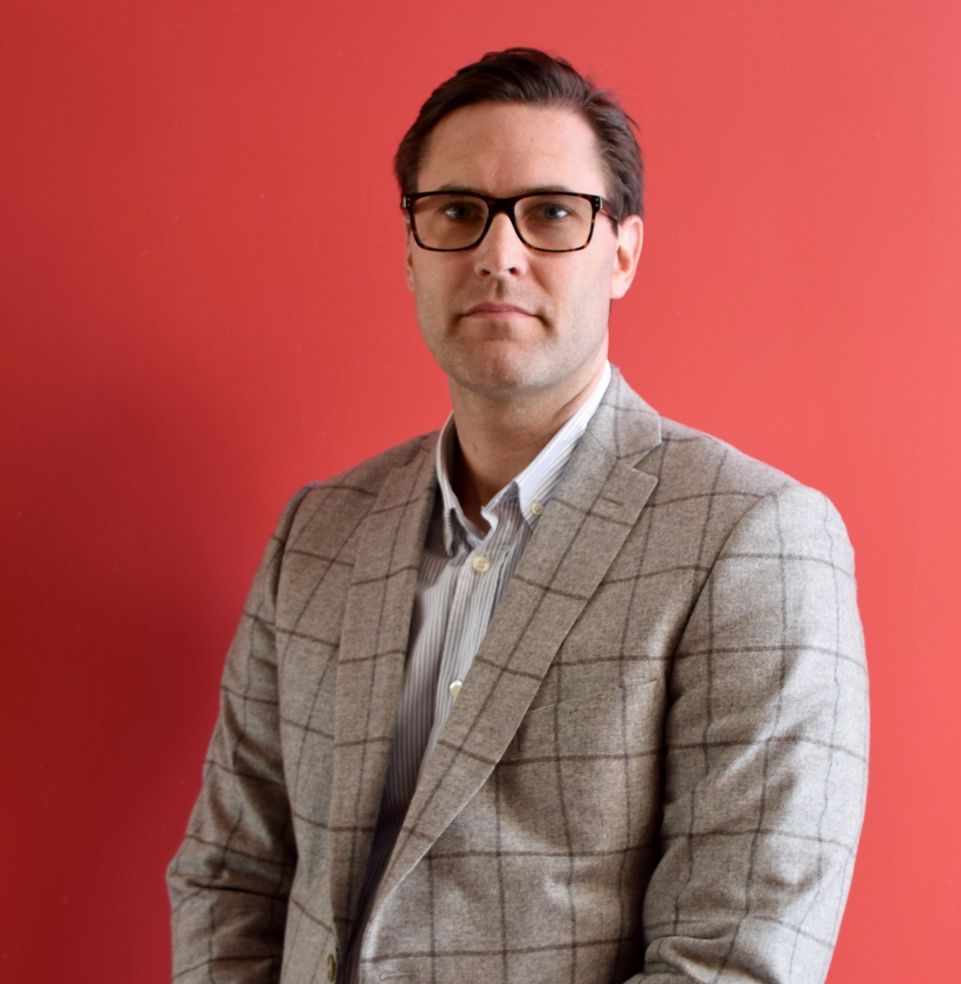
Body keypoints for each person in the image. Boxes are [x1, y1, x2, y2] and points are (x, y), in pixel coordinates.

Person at [168, 47, 868, 984]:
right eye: (458, 212)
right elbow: (228, 874)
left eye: (551, 214)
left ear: (623, 253)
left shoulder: (755, 539)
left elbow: (734, 956)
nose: (498, 254)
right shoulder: (319, 533)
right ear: (411, 251)